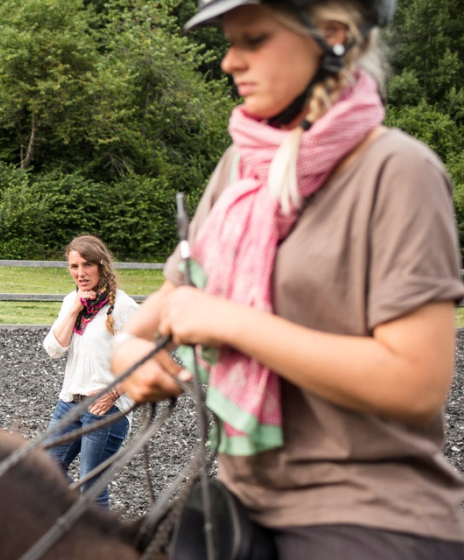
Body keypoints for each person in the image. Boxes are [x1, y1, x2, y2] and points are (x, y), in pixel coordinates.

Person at [111, 0, 464, 557]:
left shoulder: (400, 173)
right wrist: (125, 352)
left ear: (331, 36)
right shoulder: (239, 166)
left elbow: (415, 384)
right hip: (242, 499)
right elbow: (172, 302)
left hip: (370, 517)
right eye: (230, 42)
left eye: (253, 40)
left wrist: (237, 323)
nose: (229, 61)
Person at [43, 234, 139, 509]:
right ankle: (77, 526)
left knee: (92, 487)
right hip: (69, 403)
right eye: (74, 266)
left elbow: (147, 354)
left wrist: (114, 393)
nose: (80, 273)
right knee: (47, 469)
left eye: (87, 265)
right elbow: (53, 348)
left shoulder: (123, 306)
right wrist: (74, 308)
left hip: (106, 409)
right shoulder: (70, 301)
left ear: (101, 265)